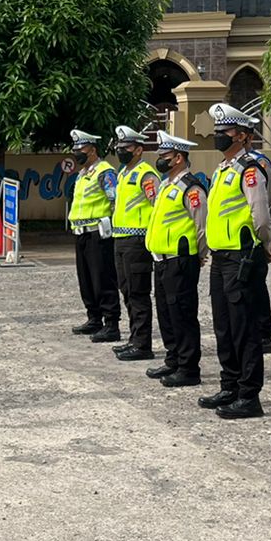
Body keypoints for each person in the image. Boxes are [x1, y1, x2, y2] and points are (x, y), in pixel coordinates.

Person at [198, 103, 271, 420]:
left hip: (242, 256)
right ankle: (229, 384)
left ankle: (248, 395)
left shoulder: (250, 169)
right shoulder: (223, 169)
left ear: (243, 136)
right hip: (222, 257)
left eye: (225, 132)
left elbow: (262, 211)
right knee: (224, 326)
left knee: (244, 328)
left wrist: (265, 243)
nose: (219, 136)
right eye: (217, 131)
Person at [144, 134, 207, 387]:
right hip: (161, 259)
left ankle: (189, 368)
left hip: (180, 260)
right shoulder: (167, 185)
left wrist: (199, 256)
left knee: (182, 314)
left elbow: (201, 225)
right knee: (167, 313)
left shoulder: (190, 187)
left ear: (178, 158)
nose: (160, 161)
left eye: (164, 157)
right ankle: (174, 359)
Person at [110, 125, 160, 363]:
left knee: (139, 293)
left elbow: (157, 205)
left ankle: (142, 344)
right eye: (119, 147)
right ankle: (133, 339)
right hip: (120, 239)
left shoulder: (146, 174)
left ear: (139, 150)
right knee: (127, 291)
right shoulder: (123, 173)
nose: (121, 151)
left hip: (137, 241)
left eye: (126, 147)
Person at [67, 129, 121, 343]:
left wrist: (110, 227)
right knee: (86, 279)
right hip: (81, 233)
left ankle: (111, 324)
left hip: (98, 233)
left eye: (80, 149)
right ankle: (94, 318)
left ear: (92, 150)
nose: (77, 153)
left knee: (103, 278)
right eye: (75, 149)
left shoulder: (104, 172)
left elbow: (114, 201)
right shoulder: (82, 174)